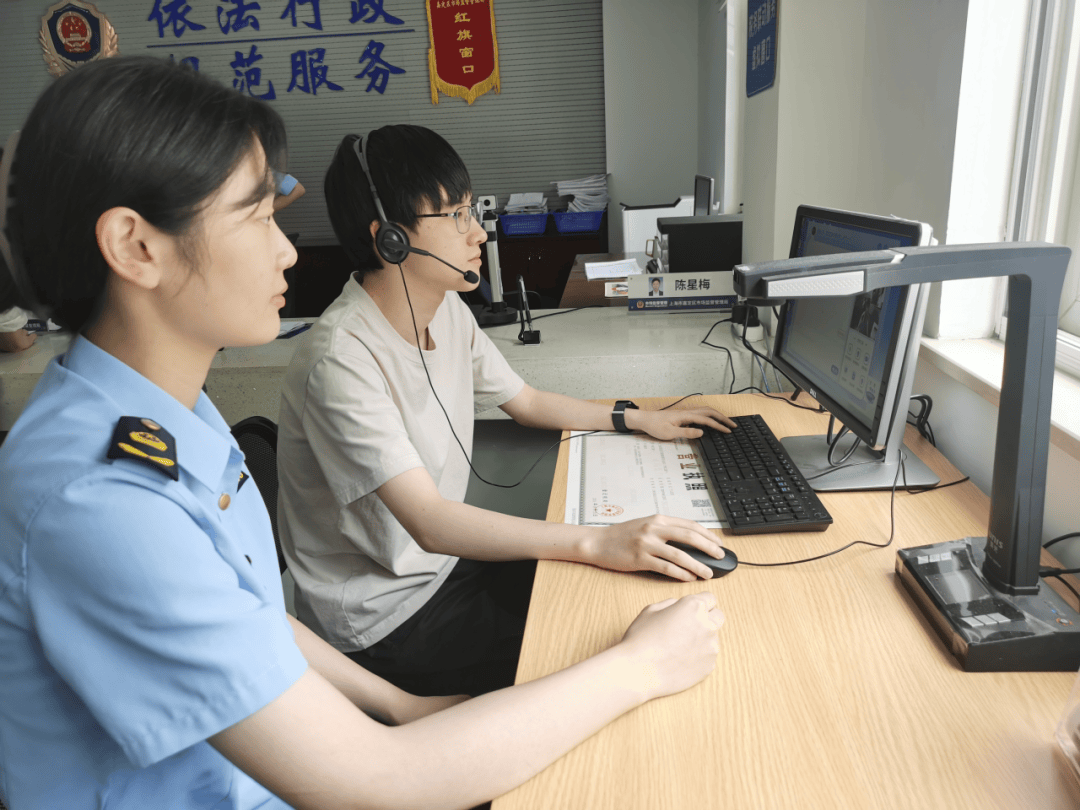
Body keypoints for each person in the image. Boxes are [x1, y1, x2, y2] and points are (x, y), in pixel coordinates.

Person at [0, 56, 725, 810]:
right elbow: (379, 781)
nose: (287, 250)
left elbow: (251, 615)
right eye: (257, 217)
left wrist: (396, 705)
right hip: (325, 732)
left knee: (591, 627)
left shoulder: (167, 417)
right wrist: (643, 666)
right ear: (135, 247)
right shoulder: (102, 498)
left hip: (309, 740)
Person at [276, 125, 736, 698]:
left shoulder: (445, 309)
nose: (478, 231)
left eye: (471, 210)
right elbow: (430, 522)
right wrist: (594, 541)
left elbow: (527, 402)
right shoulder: (340, 360)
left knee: (615, 595)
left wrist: (634, 418)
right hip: (384, 621)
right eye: (456, 215)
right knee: (589, 639)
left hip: (443, 570)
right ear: (389, 238)